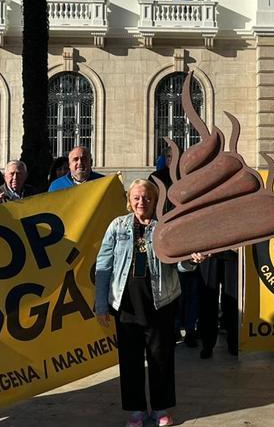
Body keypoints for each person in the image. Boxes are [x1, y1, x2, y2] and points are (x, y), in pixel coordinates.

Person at [94, 179, 205, 427]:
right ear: (129, 200)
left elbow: (181, 264)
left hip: (160, 302)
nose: (141, 202)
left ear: (155, 201)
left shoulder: (165, 228)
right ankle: (136, 411)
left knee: (160, 357)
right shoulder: (117, 226)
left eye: (146, 198)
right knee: (130, 359)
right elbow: (103, 266)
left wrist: (194, 260)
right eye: (136, 198)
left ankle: (160, 408)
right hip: (125, 304)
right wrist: (101, 303)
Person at [197, 250, 238, 358]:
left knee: (232, 299)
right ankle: (207, 344)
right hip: (208, 252)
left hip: (232, 251)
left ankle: (234, 341)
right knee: (207, 300)